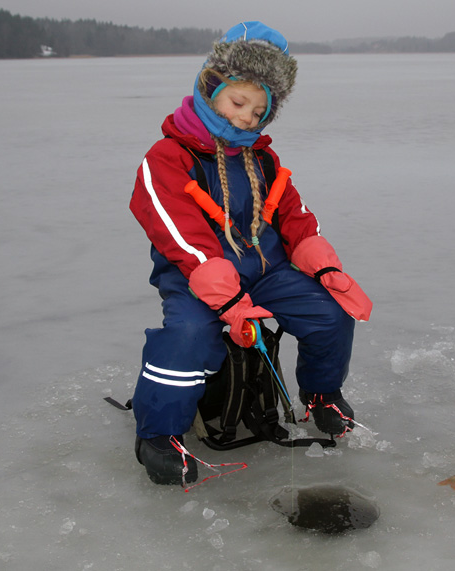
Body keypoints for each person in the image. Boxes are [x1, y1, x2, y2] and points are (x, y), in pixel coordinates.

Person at [129, 22, 372, 485]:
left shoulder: (260, 157)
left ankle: (322, 394)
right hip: (194, 278)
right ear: (210, 89)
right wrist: (223, 297)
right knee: (187, 339)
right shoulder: (168, 156)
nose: (246, 117)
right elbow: (176, 231)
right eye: (238, 103)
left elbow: (294, 215)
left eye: (259, 110)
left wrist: (324, 266)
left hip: (265, 271)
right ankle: (158, 435)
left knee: (331, 314)